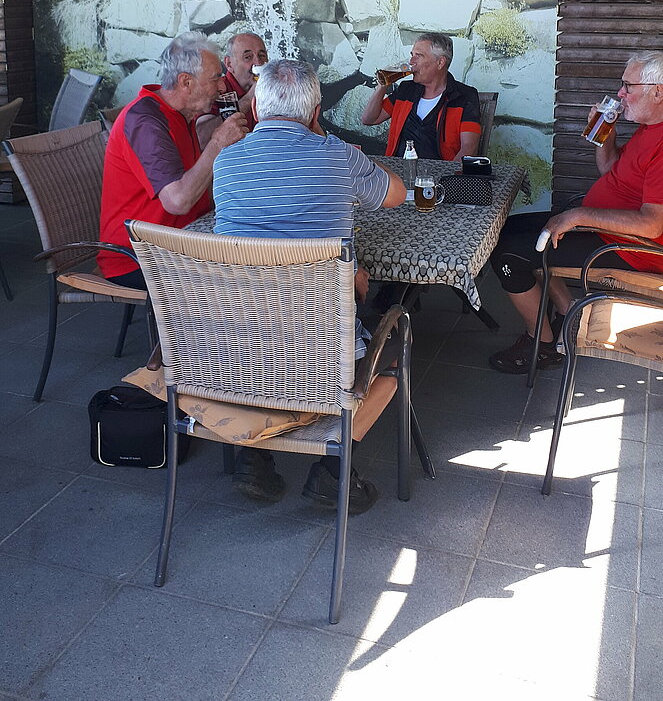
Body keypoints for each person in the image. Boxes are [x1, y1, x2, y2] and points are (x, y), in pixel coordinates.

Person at [212, 58, 407, 512]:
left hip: (236, 346)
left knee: (264, 322)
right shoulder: (339, 155)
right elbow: (396, 194)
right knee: (397, 351)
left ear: (255, 109)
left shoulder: (226, 161)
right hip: (320, 349)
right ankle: (333, 469)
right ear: (317, 111)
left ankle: (252, 457)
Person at [489, 50, 663, 374]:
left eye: (628, 86)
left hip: (631, 250)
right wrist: (605, 135)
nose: (620, 94)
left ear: (658, 92)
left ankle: (542, 344)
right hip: (607, 231)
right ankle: (566, 311)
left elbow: (652, 225)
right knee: (506, 230)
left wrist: (580, 216)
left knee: (508, 255)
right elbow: (609, 169)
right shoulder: (649, 127)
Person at [98, 31, 247, 287]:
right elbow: (178, 201)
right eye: (215, 78)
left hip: (181, 241)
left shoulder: (182, 114)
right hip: (139, 256)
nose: (222, 86)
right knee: (244, 278)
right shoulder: (146, 122)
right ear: (186, 82)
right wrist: (217, 144)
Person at [361, 32, 481, 161]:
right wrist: (382, 85)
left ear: (440, 62)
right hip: (399, 169)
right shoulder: (406, 90)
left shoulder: (464, 96)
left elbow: (469, 148)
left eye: (418, 56)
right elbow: (369, 119)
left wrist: (449, 172)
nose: (411, 62)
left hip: (440, 170)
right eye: (412, 55)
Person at [222, 31, 269, 130]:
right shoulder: (217, 90)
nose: (258, 63)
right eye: (248, 57)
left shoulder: (274, 87)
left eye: (262, 55)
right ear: (229, 64)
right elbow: (203, 134)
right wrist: (249, 98)